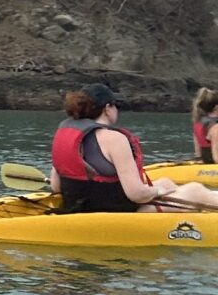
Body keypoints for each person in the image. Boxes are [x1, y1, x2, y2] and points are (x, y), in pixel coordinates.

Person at [48, 84, 218, 214]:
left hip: (78, 205)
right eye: (115, 106)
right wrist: (157, 191)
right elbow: (136, 194)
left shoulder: (64, 132)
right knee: (195, 190)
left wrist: (159, 188)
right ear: (107, 109)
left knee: (166, 182)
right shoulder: (114, 139)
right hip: (116, 212)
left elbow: (56, 186)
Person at [192, 85, 218, 162]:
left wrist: (199, 159)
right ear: (216, 107)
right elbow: (216, 157)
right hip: (213, 164)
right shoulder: (215, 128)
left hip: (205, 160)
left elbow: (197, 149)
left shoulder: (197, 123)